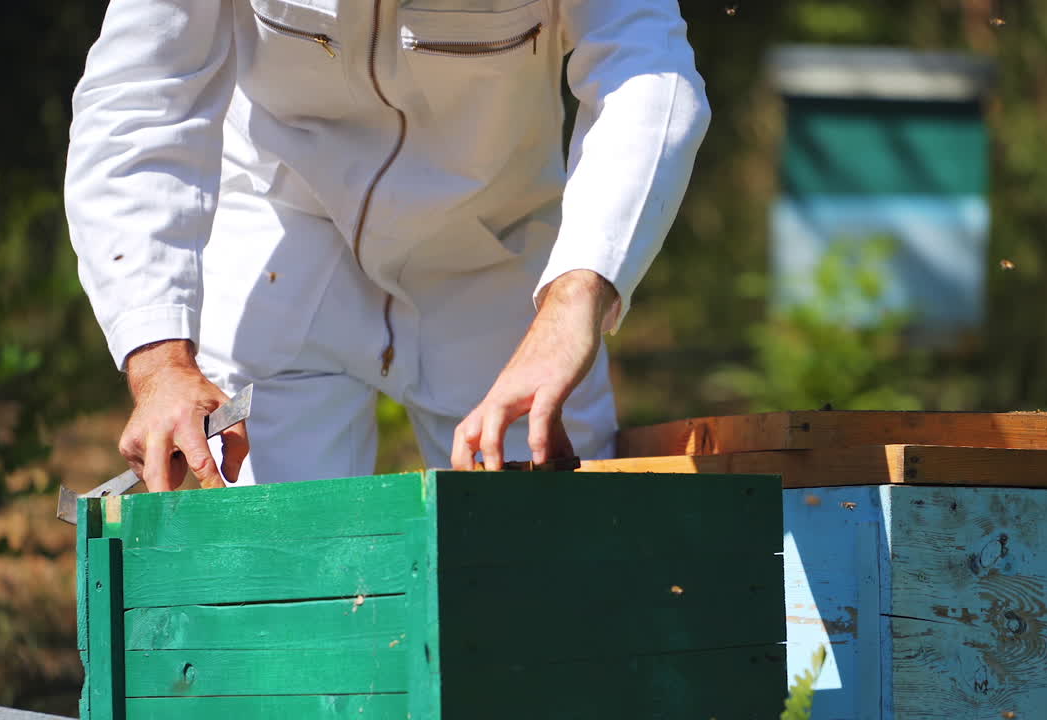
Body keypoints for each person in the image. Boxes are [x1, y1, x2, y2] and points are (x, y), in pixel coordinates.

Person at [65, 0, 710, 491]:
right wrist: (160, 365)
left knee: (548, 569)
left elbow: (647, 72)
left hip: (497, 255)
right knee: (266, 577)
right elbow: (139, 102)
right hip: (279, 236)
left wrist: (575, 300)